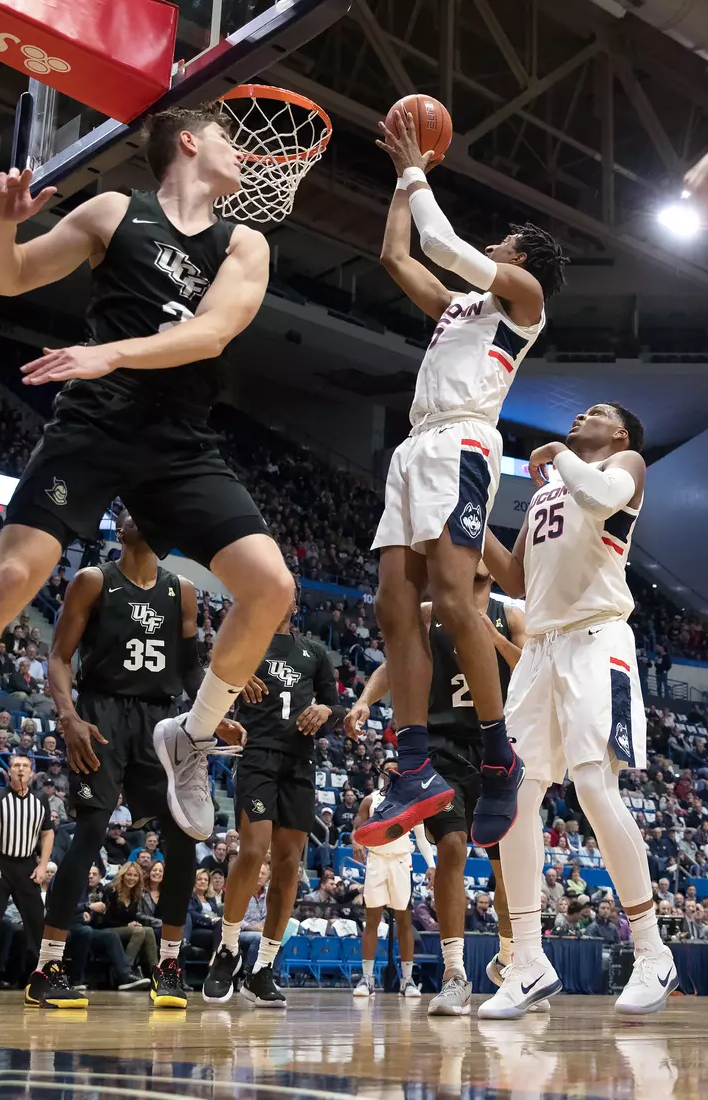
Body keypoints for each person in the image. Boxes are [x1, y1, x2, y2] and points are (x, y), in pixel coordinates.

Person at [0, 104, 296, 850]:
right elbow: (8, 277)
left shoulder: (243, 243)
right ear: (188, 141)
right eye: (227, 137)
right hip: (96, 422)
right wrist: (0, 223)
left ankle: (192, 735)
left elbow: (212, 332)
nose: (242, 153)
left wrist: (113, 351)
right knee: (12, 576)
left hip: (178, 438)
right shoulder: (116, 211)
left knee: (271, 586)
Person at [357, 108, 566, 850]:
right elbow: (397, 257)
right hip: (415, 449)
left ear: (523, 259)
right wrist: (397, 184)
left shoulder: (524, 301)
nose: (492, 245)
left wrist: (417, 166)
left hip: (463, 445)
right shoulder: (460, 308)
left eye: (503, 243)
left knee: (451, 599)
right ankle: (411, 764)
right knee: (393, 606)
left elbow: (439, 242)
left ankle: (495, 753)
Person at [479, 403, 678, 1018]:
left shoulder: (626, 463)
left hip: (597, 638)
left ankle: (651, 951)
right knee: (515, 795)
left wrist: (553, 459)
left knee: (594, 785)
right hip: (540, 647)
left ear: (618, 431)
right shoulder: (548, 492)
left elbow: (596, 498)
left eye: (594, 411)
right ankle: (529, 960)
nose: (579, 416)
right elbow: (514, 574)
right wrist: (469, 518)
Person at [28, 509, 241, 1010]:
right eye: (127, 509)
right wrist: (68, 717)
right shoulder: (93, 580)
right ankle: (47, 968)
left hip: (162, 722)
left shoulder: (182, 591)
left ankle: (168, 967)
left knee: (185, 836)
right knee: (89, 836)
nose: (136, 513)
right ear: (118, 528)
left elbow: (190, 671)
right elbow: (59, 657)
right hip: (101, 715)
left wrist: (213, 714)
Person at [346, 563, 527, 1016]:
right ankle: (454, 973)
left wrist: (491, 638)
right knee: (451, 846)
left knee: (508, 872)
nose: (474, 568)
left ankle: (512, 964)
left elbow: (532, 669)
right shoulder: (431, 613)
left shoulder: (513, 615)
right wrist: (365, 700)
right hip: (443, 746)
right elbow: (396, 663)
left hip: (496, 746)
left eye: (483, 570)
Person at [203, 593, 344, 1008]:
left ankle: (262, 968)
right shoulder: (247, 639)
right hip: (259, 756)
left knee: (288, 867)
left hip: (299, 763)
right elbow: (210, 672)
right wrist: (233, 676)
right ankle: (227, 950)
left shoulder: (315, 652)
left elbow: (335, 706)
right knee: (252, 850)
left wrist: (324, 711)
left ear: (295, 604)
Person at [351, 761, 435, 999]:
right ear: (381, 773)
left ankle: (407, 981)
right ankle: (367, 979)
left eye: (396, 767)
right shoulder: (370, 800)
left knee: (404, 921)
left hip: (400, 861)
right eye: (387, 767)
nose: (391, 771)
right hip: (376, 860)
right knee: (372, 921)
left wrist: (431, 865)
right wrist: (356, 841)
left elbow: (421, 837)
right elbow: (357, 828)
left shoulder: (411, 801)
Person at [0, 754, 53, 994]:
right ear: (8, 772)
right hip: (0, 864)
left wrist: (42, 865)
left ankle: (37, 976)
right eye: (16, 765)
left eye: (25, 766)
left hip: (27, 866)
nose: (21, 769)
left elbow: (47, 833)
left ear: (31, 773)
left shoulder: (41, 799)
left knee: (36, 922)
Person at [102, 862, 158, 975]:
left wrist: (134, 923)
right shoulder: (111, 890)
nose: (132, 878)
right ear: (122, 875)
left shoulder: (135, 894)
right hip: (107, 928)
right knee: (139, 931)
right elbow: (105, 918)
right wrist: (127, 925)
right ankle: (125, 971)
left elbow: (132, 917)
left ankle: (155, 972)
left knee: (149, 930)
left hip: (125, 929)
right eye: (129, 875)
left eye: (135, 875)